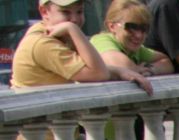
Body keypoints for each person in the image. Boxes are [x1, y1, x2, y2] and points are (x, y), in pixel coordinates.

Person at [11, 0, 155, 88]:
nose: (74, 19)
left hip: (58, 132)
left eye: (79, 12)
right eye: (66, 12)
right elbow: (98, 74)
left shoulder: (58, 35)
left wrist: (119, 71)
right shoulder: (43, 42)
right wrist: (74, 30)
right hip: (43, 137)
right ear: (44, 12)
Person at [91, 0, 173, 77]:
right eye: (131, 27)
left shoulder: (136, 50)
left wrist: (149, 70)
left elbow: (166, 62)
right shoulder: (101, 40)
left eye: (144, 28)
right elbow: (122, 66)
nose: (139, 35)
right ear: (112, 26)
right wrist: (137, 69)